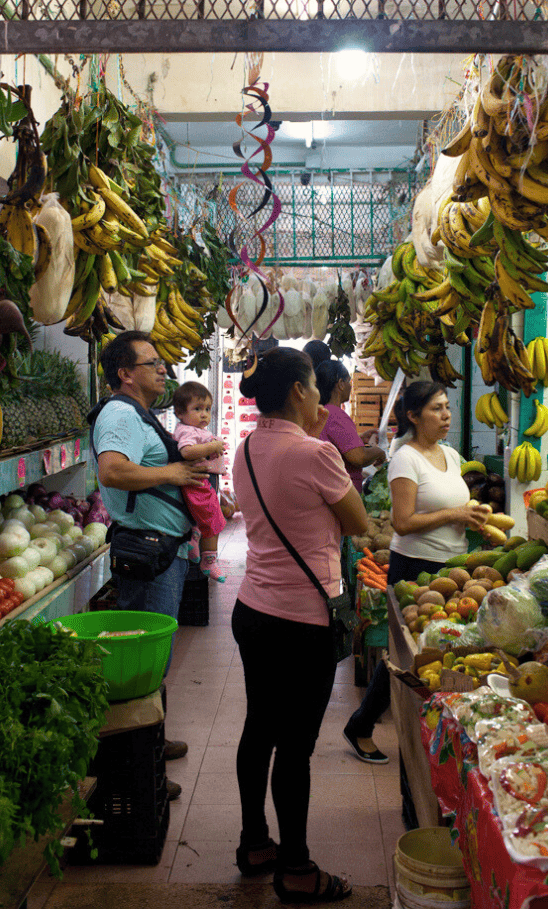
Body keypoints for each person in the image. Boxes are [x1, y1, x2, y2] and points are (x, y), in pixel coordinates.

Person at [232, 347, 367, 902]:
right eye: (314, 388)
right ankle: (297, 869)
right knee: (296, 747)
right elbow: (356, 522)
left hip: (253, 610)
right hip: (303, 620)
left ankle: (254, 842)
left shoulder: (244, 448)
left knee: (259, 726)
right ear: (297, 392)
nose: (321, 397)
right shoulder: (317, 453)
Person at [87, 331, 209, 798]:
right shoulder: (119, 413)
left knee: (156, 652)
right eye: (152, 363)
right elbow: (113, 470)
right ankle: (141, 762)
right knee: (145, 655)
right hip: (148, 549)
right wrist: (174, 474)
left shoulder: (139, 413)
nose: (163, 369)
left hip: (164, 548)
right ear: (125, 373)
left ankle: (152, 739)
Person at [343, 381, 490, 764]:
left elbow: (451, 510)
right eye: (436, 409)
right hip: (415, 568)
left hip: (452, 568)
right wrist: (456, 513)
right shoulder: (405, 459)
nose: (446, 416)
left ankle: (440, 736)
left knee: (440, 656)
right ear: (413, 415)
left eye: (447, 407)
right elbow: (403, 521)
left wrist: (473, 519)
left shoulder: (451, 456)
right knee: (409, 658)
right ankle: (363, 724)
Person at [172, 380, 228, 582]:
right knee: (214, 518)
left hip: (202, 482)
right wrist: (212, 447)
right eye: (197, 409)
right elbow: (187, 451)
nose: (204, 414)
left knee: (201, 517)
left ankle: (194, 543)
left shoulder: (195, 430)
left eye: (207, 409)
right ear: (179, 412)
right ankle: (210, 560)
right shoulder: (186, 431)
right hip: (196, 483)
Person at [315, 360, 386, 493]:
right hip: (343, 493)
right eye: (349, 380)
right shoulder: (336, 414)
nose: (350, 386)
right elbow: (359, 457)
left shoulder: (322, 413)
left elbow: (335, 445)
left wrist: (358, 439)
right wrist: (379, 452)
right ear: (341, 384)